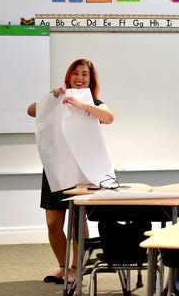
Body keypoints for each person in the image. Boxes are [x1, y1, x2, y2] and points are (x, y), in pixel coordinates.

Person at [27, 58, 114, 284]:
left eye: (84, 74)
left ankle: (77, 267)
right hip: (55, 169)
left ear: (90, 79)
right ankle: (62, 266)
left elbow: (108, 117)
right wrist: (51, 98)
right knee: (53, 224)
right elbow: (30, 111)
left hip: (82, 172)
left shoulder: (94, 102)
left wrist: (83, 105)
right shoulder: (58, 98)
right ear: (69, 76)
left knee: (77, 221)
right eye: (76, 73)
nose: (80, 77)